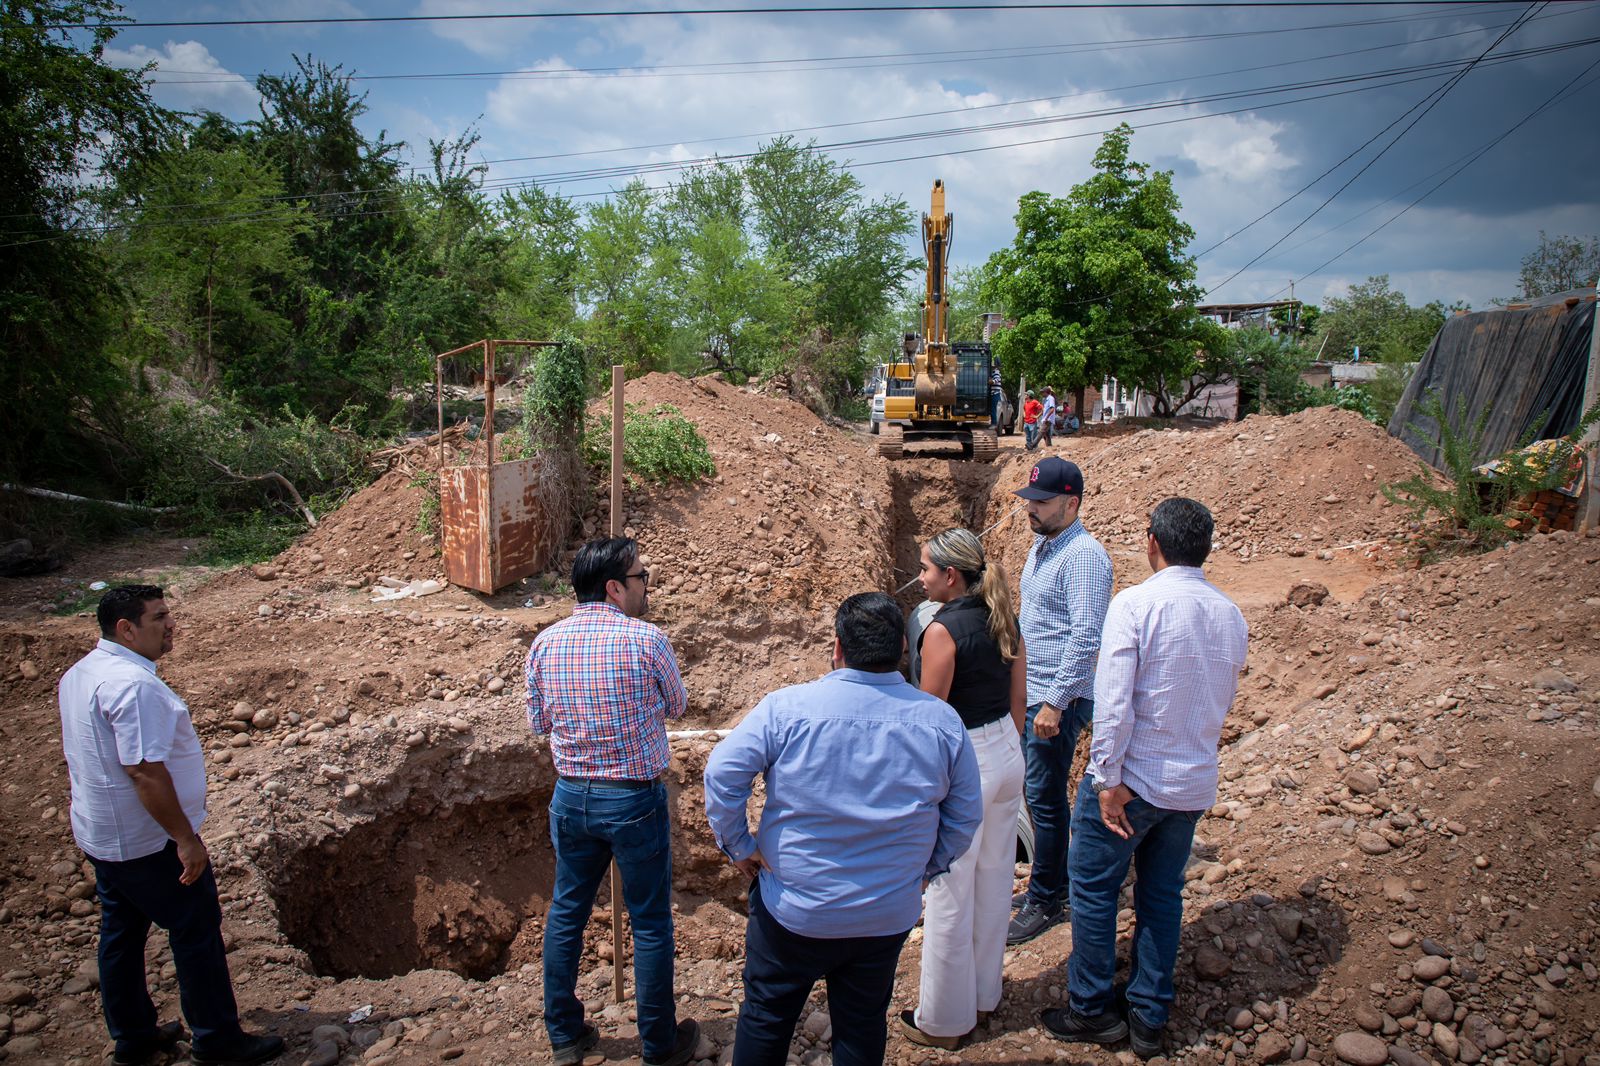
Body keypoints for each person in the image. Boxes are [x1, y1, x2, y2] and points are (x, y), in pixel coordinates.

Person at [703, 593, 983, 1066]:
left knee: (766, 1019)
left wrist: (740, 846)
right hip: (885, 913)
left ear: (837, 647)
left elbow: (722, 775)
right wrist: (925, 869)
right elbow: (965, 815)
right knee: (862, 1024)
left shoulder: (787, 708)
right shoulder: (941, 723)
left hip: (793, 910)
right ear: (901, 648)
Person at [1042, 498, 1247, 1059]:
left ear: (1153, 542)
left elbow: (1114, 706)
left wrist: (1107, 781)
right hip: (1191, 785)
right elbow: (1216, 703)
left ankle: (1089, 1010)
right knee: (1161, 897)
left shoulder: (1135, 604)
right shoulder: (1230, 614)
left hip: (1128, 787)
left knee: (1092, 891)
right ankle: (1149, 1017)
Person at [58, 586, 284, 1066]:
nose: (171, 625)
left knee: (121, 930)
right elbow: (143, 770)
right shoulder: (133, 686)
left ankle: (134, 1038)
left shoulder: (82, 673)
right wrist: (184, 838)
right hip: (145, 841)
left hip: (102, 833)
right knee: (195, 928)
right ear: (127, 628)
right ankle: (218, 1040)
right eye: (159, 617)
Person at [525, 537, 700, 1066]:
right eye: (641, 577)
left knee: (567, 912)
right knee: (649, 923)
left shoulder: (546, 643)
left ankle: (564, 1036)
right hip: (632, 800)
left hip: (571, 796)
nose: (647, 585)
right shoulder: (646, 641)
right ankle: (658, 1044)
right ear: (614, 588)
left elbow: (540, 722)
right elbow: (677, 704)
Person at [898, 531, 1027, 1051]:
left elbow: (933, 722)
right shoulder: (1004, 618)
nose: (921, 575)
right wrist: (1006, 754)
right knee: (995, 880)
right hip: (1005, 752)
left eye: (926, 567)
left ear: (951, 576)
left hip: (966, 761)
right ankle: (983, 996)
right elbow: (1018, 698)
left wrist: (928, 791)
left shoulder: (940, 632)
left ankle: (944, 1022)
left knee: (948, 890)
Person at [1007, 457, 1113, 946]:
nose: (1031, 509)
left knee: (1045, 802)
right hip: (1034, 689)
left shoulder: (1084, 557)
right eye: (1029, 500)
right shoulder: (1044, 545)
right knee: (1037, 796)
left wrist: (1054, 703)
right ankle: (1052, 884)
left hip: (1056, 699)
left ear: (1071, 503)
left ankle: (1048, 898)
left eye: (1041, 502)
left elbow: (1085, 637)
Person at [989, 362, 1005, 430]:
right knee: (992, 409)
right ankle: (993, 423)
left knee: (993, 409)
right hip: (994, 393)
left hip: (995, 393)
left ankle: (994, 424)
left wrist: (991, 381)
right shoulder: (994, 372)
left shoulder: (996, 372)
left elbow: (997, 380)